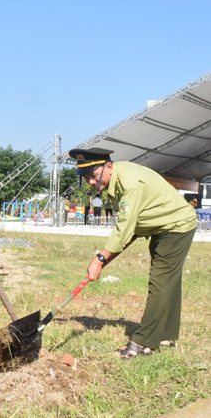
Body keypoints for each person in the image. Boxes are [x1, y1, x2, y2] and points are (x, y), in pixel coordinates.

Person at [69, 147, 197, 359]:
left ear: (108, 166)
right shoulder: (117, 179)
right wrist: (112, 250)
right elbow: (133, 222)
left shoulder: (130, 183)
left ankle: (144, 342)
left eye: (93, 175)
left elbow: (125, 224)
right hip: (162, 226)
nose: (90, 182)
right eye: (86, 178)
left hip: (176, 227)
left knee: (160, 282)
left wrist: (100, 258)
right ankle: (166, 335)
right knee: (168, 282)